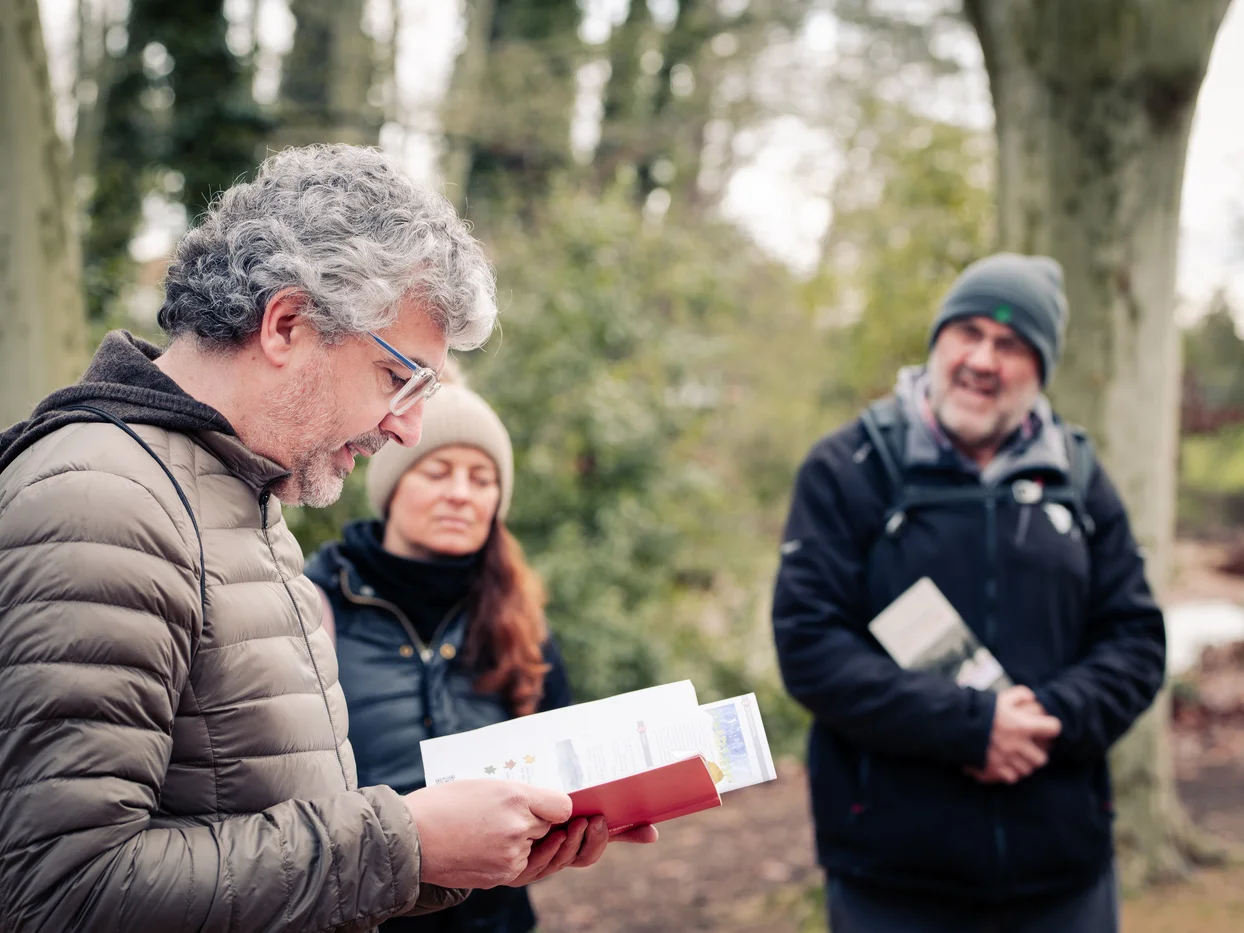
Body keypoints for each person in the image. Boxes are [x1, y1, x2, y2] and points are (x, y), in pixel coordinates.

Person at [0, 144, 654, 933]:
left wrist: (450, 855)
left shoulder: (242, 501)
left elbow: (278, 850)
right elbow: (60, 891)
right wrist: (406, 843)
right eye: (398, 379)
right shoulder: (103, 500)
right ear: (287, 323)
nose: (408, 426)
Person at [772, 253, 1166, 933]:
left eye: (1010, 344)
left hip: (1062, 875)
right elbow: (810, 645)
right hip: (893, 880)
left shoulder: (1078, 477)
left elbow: (1135, 639)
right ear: (938, 343)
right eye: (968, 333)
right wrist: (971, 726)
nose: (983, 359)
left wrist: (1046, 719)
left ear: (1040, 369)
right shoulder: (850, 468)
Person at [305, 373, 572, 933]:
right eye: (437, 471)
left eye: (481, 479)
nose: (460, 493)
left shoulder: (519, 621)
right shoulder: (313, 606)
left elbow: (563, 770)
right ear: (393, 486)